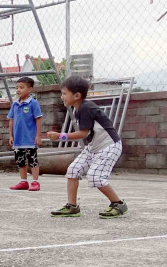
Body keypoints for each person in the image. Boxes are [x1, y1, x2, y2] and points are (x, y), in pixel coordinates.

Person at [47, 76, 127, 218]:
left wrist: (60, 135)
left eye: (64, 93)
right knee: (73, 170)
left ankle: (118, 203)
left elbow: (83, 133)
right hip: (94, 147)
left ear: (76, 95)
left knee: (95, 177)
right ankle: (72, 207)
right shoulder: (79, 108)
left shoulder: (86, 108)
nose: (61, 97)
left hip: (109, 146)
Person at [7, 76, 43, 191]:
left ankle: (35, 182)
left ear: (30, 89)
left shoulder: (33, 103)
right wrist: (10, 135)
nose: (18, 90)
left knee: (32, 160)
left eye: (21, 87)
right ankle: (23, 181)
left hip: (30, 139)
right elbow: (11, 120)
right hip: (18, 140)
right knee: (20, 161)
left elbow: (38, 119)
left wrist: (38, 135)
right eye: (17, 87)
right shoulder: (15, 104)